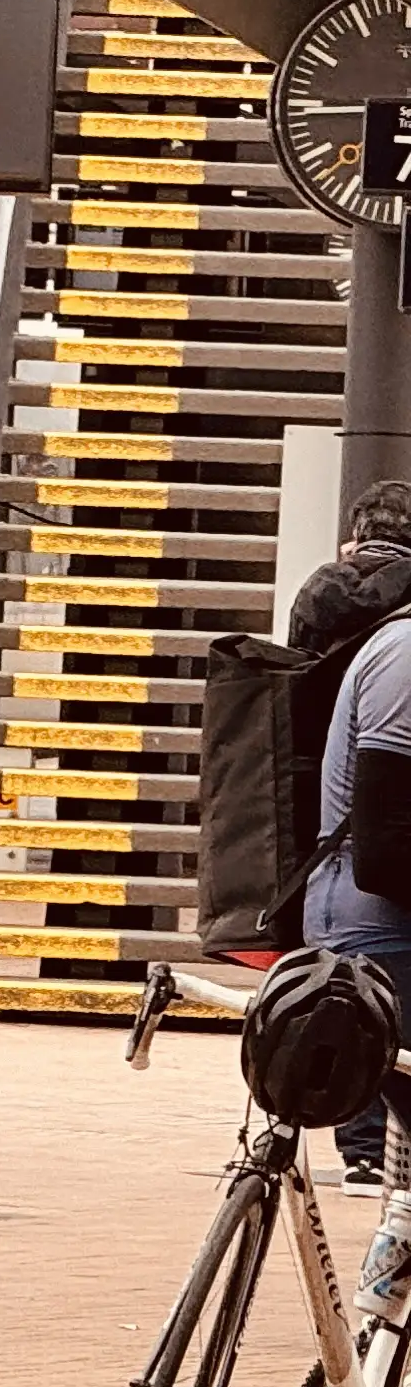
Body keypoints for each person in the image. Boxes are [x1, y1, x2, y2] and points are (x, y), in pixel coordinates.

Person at [285, 481, 411, 1184]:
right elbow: (388, 844)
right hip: (374, 897)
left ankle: (366, 1153)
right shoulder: (403, 647)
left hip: (332, 856)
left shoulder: (317, 594)